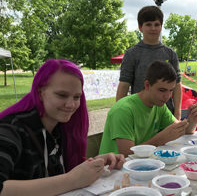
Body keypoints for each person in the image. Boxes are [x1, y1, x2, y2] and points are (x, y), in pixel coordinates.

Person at [0, 59, 125, 196]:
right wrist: (71, 180)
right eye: (62, 95)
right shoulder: (10, 130)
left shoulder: (60, 127)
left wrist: (96, 163)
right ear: (40, 92)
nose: (71, 105)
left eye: (76, 97)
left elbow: (57, 175)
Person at [100, 61, 197, 157]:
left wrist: (192, 122)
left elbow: (180, 131)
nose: (167, 96)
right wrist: (161, 139)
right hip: (113, 170)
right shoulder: (123, 110)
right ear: (147, 85)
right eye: (162, 90)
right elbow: (127, 154)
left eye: (171, 90)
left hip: (141, 164)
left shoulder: (159, 105)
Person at [116, 5, 182, 120]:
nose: (153, 28)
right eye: (148, 24)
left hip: (167, 115)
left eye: (157, 24)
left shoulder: (170, 54)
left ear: (161, 27)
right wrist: (119, 114)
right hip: (140, 115)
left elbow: (177, 86)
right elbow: (124, 85)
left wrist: (177, 113)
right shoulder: (131, 54)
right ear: (140, 27)